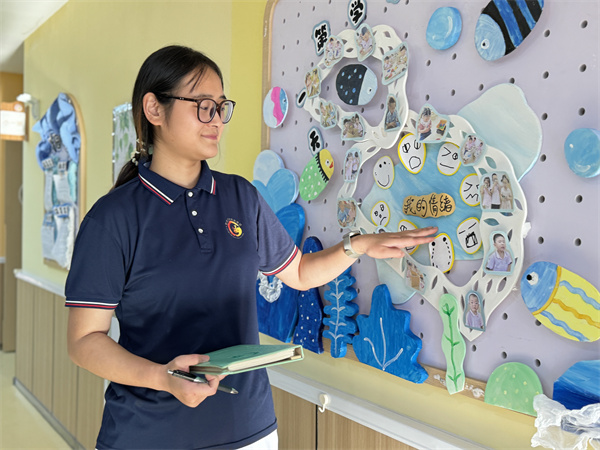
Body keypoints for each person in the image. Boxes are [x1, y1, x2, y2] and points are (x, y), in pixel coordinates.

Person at [65, 45, 438, 450]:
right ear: (154, 109)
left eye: (221, 107)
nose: (216, 120)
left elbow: (299, 273)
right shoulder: (112, 219)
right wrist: (162, 377)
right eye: (203, 106)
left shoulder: (240, 197)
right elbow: (84, 341)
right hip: (148, 435)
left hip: (248, 430)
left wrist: (358, 245)